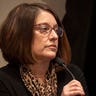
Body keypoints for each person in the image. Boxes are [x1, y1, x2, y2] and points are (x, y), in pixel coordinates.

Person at [0, 3, 89, 96]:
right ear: (20, 34)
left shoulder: (71, 74)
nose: (55, 36)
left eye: (56, 30)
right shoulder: (4, 81)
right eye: (44, 29)